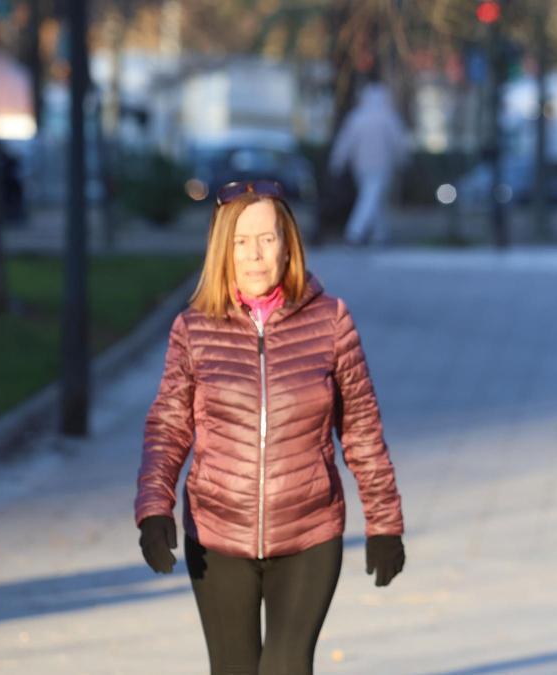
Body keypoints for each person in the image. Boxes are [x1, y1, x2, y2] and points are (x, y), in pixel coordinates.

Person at [134, 180, 406, 675]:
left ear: (288, 244)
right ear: (222, 249)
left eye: (267, 238)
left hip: (309, 531)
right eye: (241, 241)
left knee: (285, 665)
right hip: (218, 535)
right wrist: (154, 509)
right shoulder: (194, 328)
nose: (255, 255)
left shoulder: (331, 321)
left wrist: (385, 524)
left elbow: (363, 429)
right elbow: (168, 427)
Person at [328, 81, 412, 246]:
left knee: (374, 198)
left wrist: (337, 162)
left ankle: (380, 234)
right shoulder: (388, 118)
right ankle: (354, 231)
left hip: (360, 166)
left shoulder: (357, 118)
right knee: (371, 197)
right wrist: (404, 160)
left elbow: (345, 142)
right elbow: (400, 142)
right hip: (382, 165)